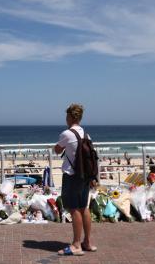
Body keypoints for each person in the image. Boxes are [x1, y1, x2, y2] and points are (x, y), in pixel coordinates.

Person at [55, 103, 97, 256]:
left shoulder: (67, 134)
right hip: (85, 176)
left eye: (67, 116)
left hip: (72, 176)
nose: (65, 119)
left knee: (74, 209)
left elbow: (57, 149)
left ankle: (76, 245)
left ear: (71, 117)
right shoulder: (86, 135)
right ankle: (87, 242)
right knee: (83, 207)